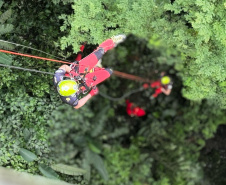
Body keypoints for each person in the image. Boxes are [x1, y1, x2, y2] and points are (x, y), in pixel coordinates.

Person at [53, 34, 126, 109]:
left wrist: (73, 74)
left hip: (77, 71)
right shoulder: (68, 99)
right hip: (85, 83)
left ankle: (113, 40)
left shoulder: (57, 79)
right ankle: (102, 65)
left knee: (100, 52)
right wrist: (91, 94)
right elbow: (77, 105)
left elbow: (64, 67)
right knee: (109, 72)